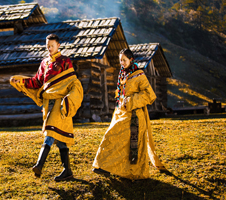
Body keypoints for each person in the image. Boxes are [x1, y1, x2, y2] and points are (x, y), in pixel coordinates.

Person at [10, 33, 83, 181]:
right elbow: (37, 82)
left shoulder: (65, 62)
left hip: (60, 104)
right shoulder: (44, 63)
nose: (49, 48)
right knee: (60, 137)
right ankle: (67, 171)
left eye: (52, 46)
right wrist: (21, 82)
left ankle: (39, 165)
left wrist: (68, 101)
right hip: (47, 104)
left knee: (50, 132)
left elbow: (72, 83)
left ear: (58, 45)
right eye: (47, 46)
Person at [92, 48, 167, 180]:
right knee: (111, 136)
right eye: (120, 60)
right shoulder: (122, 74)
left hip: (135, 116)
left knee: (129, 145)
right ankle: (103, 166)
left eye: (124, 60)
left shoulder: (140, 75)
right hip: (121, 113)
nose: (122, 63)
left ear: (131, 59)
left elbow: (149, 95)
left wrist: (131, 100)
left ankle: (131, 172)